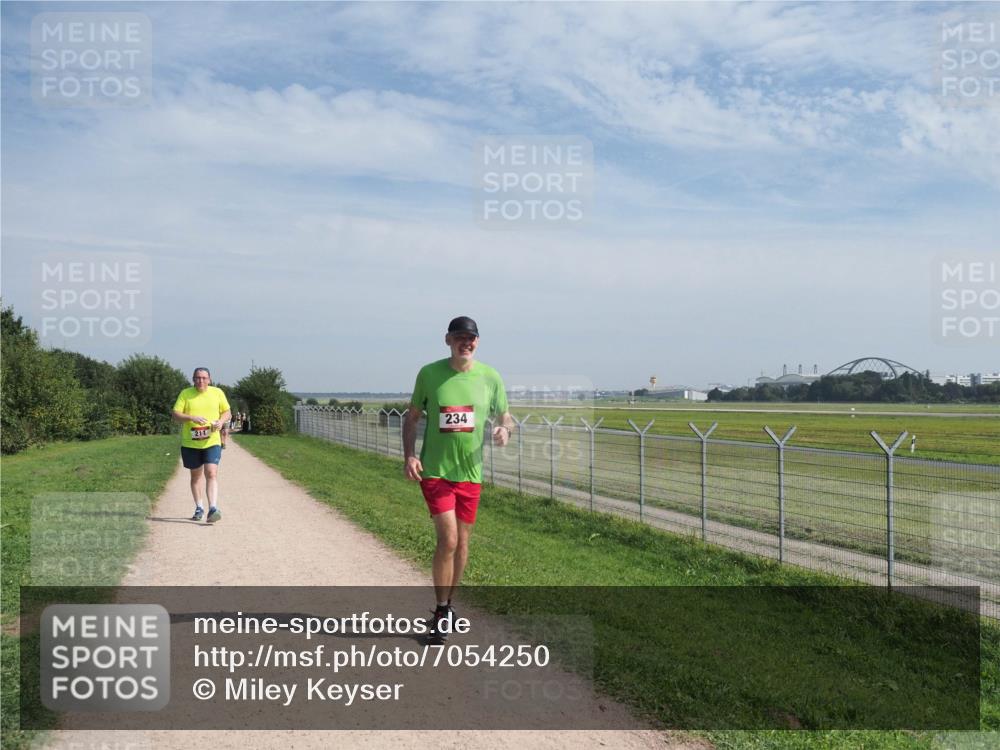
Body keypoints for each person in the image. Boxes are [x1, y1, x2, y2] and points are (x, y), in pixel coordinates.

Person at [403, 316, 513, 643]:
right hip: (436, 471)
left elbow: (505, 414)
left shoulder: (490, 377)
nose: (467, 342)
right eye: (460, 337)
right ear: (447, 340)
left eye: (472, 338)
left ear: (477, 342)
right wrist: (410, 455)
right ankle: (439, 609)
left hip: (471, 474)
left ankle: (448, 605)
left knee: (463, 545)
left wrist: (504, 427)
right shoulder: (430, 374)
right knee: (448, 540)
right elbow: (412, 419)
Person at [172, 367, 231, 523]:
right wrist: (192, 418)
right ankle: (199, 507)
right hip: (191, 443)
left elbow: (227, 412)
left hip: (212, 441)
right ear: (193, 379)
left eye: (204, 378)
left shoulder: (217, 392)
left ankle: (213, 508)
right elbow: (176, 414)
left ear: (209, 379)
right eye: (197, 378)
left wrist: (220, 422)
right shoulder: (185, 394)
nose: (201, 381)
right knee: (196, 476)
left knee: (211, 473)